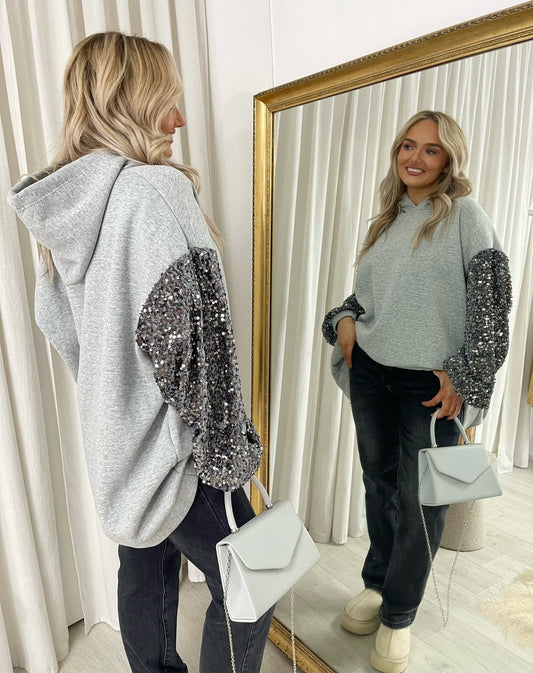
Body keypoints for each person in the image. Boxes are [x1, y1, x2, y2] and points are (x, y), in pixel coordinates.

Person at [8, 32, 273, 673]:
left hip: (117, 442)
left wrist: (115, 396)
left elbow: (60, 326)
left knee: (146, 568)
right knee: (255, 581)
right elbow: (192, 346)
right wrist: (228, 451)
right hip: (177, 446)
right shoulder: (154, 191)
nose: (178, 119)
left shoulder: (70, 210)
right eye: (167, 102)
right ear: (130, 102)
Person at [322, 110, 511, 673]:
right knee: (379, 485)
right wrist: (342, 320)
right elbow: (369, 299)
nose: (415, 158)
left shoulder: (465, 216)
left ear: (449, 158)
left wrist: (467, 374)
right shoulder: (387, 218)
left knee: (420, 497)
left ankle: (399, 613)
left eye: (431, 149)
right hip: (372, 373)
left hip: (430, 384)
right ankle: (377, 584)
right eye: (408, 145)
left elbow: (493, 303)